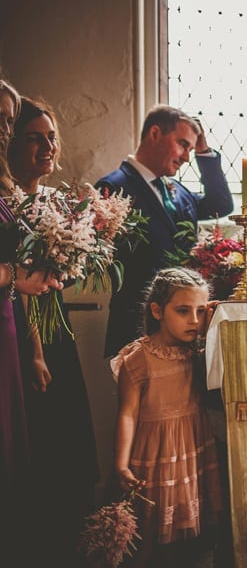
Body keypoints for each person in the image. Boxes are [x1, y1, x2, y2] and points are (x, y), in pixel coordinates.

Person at [7, 96, 99, 564]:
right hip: (21, 331)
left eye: (51, 137)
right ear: (10, 143)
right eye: (34, 138)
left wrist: (71, 258)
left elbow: (56, 271)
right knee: (37, 432)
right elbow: (19, 280)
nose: (47, 146)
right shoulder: (7, 202)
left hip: (53, 323)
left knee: (68, 430)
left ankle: (70, 534)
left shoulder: (50, 200)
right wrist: (36, 351)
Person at [97, 105, 233, 358]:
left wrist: (204, 152)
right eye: (182, 144)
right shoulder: (113, 188)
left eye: (191, 149)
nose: (186, 157)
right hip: (137, 323)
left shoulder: (179, 191)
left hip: (184, 327)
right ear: (155, 133)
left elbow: (221, 204)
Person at [112, 267, 223, 566]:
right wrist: (121, 463)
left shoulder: (196, 353)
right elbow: (127, 414)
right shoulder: (137, 358)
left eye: (201, 311)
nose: (194, 320)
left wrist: (211, 329)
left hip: (192, 449)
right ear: (158, 311)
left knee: (186, 534)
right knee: (150, 535)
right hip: (157, 454)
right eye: (183, 311)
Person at [0, 78, 63, 556]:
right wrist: (14, 276)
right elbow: (14, 275)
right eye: (28, 133)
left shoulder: (19, 194)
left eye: (7, 119)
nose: (3, 129)